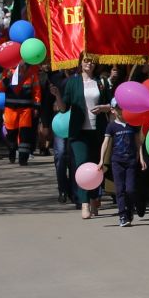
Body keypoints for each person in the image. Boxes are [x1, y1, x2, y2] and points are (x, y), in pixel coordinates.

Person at [57, 52, 111, 221]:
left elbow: (112, 104)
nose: (89, 64)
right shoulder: (72, 82)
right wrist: (57, 95)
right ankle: (84, 202)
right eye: (86, 61)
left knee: (97, 165)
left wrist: (103, 108)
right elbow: (63, 108)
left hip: (98, 130)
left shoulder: (101, 82)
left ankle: (95, 197)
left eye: (92, 62)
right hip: (79, 132)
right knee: (81, 165)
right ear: (80, 63)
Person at [100, 106, 142, 227]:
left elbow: (138, 142)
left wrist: (141, 158)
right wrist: (101, 160)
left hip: (131, 162)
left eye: (122, 108)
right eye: (118, 109)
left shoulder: (132, 125)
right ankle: (122, 215)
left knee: (130, 189)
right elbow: (105, 143)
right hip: (117, 162)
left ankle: (129, 210)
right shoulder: (112, 126)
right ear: (113, 110)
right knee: (119, 190)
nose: (120, 111)